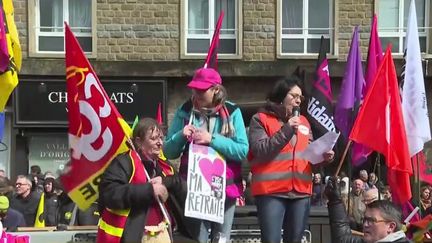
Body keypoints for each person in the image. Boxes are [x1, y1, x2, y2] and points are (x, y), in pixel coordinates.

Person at [164, 67, 248, 243]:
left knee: (221, 239)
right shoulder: (185, 110)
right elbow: (168, 151)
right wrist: (180, 135)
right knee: (198, 238)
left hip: (224, 187)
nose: (197, 93)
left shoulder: (233, 112)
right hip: (194, 188)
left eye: (202, 90)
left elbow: (242, 150)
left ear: (216, 89)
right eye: (195, 88)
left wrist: (212, 139)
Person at [247, 77, 335, 243]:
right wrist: (287, 129)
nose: (298, 100)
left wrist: (322, 157)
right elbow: (260, 150)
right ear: (281, 96)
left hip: (301, 192)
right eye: (293, 95)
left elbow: (307, 156)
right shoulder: (260, 119)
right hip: (271, 192)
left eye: (300, 97)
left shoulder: (304, 122)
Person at [98, 118, 191, 243]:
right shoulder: (123, 162)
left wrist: (166, 182)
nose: (159, 143)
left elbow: (183, 188)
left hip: (164, 233)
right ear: (139, 142)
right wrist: (149, 190)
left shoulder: (164, 166)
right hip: (136, 236)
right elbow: (109, 194)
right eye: (153, 138)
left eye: (161, 138)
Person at [325, 176, 410, 243]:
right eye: (365, 220)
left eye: (371, 220)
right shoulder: (372, 240)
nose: (365, 225)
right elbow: (342, 239)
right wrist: (335, 201)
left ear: (391, 227)